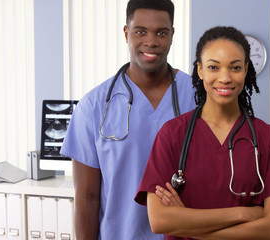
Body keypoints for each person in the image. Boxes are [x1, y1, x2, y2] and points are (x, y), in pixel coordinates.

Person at [135, 26, 270, 240]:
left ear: (246, 69)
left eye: (235, 68)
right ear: (200, 70)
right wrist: (245, 213)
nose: (225, 78)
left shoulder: (267, 138)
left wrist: (187, 225)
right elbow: (160, 221)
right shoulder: (172, 135)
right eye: (213, 67)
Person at [60, 0, 195, 239]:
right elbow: (86, 198)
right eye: (140, 31)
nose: (151, 42)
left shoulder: (198, 98)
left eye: (161, 32)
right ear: (126, 33)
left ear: (173, 35)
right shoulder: (92, 107)